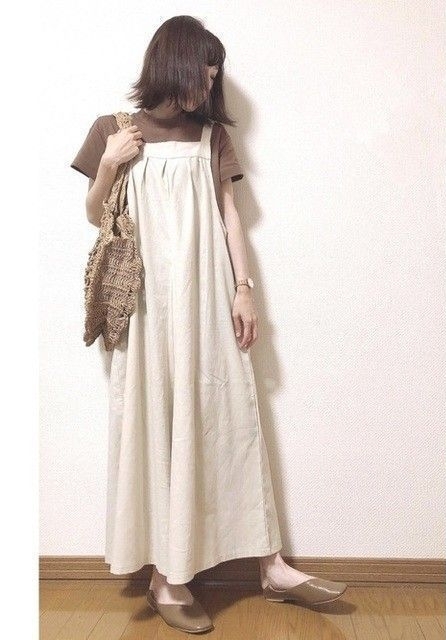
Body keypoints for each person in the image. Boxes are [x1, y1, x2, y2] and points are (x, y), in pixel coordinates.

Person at [70, 15, 347, 634]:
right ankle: (167, 578)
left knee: (230, 417)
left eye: (215, 73)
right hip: (144, 307)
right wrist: (110, 165)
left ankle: (270, 565)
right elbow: (94, 216)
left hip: (207, 297)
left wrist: (243, 290)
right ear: (172, 63)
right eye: (204, 69)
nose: (210, 81)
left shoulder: (211, 135)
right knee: (155, 425)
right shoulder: (113, 129)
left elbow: (230, 213)